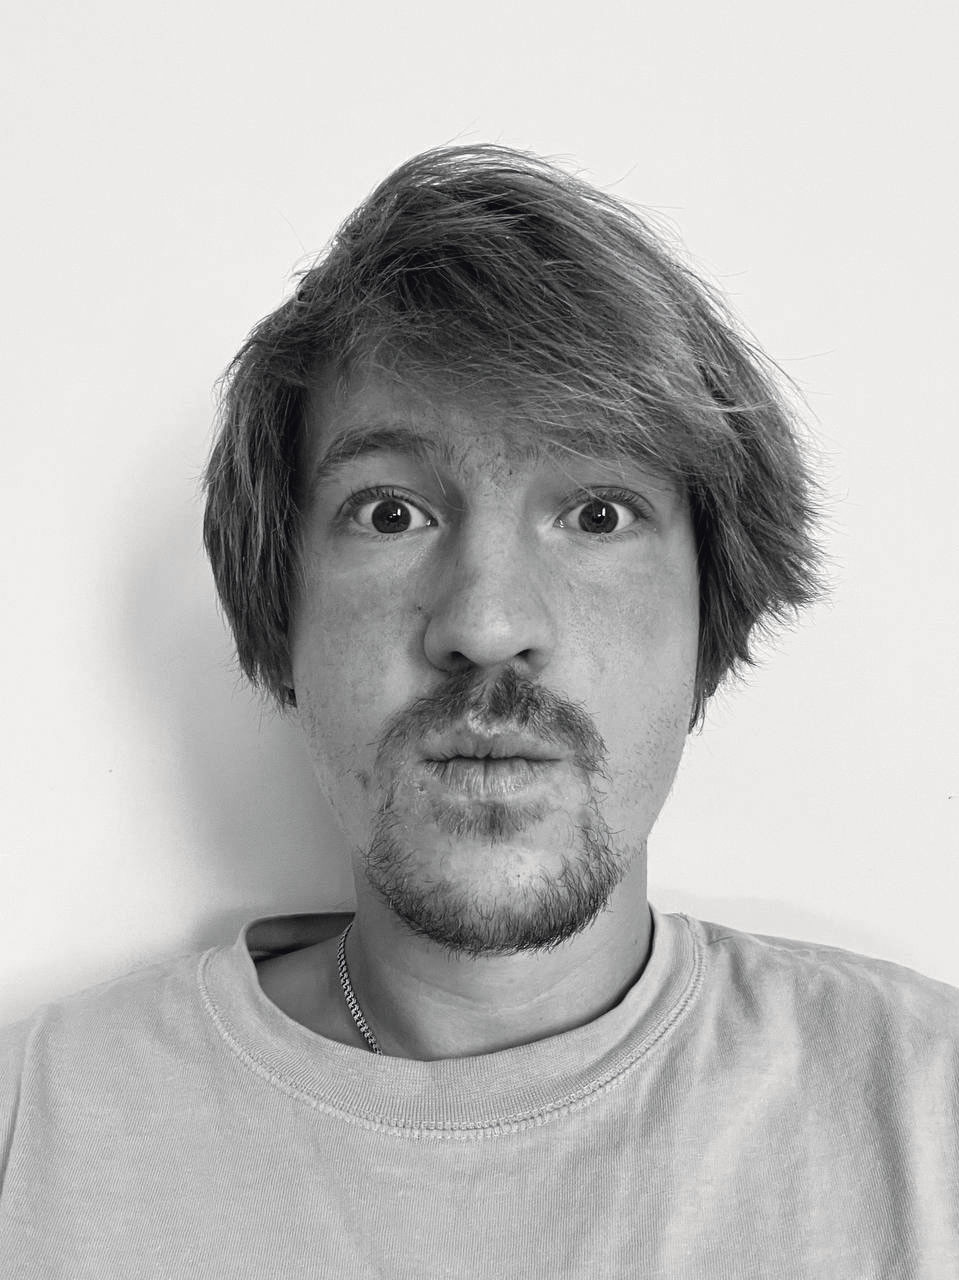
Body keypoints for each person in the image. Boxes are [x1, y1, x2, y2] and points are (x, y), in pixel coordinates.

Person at [1, 144, 956, 1278]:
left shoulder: (926, 1118)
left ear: (712, 612)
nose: (488, 623)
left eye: (597, 513)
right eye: (390, 512)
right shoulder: (35, 1136)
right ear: (278, 610)